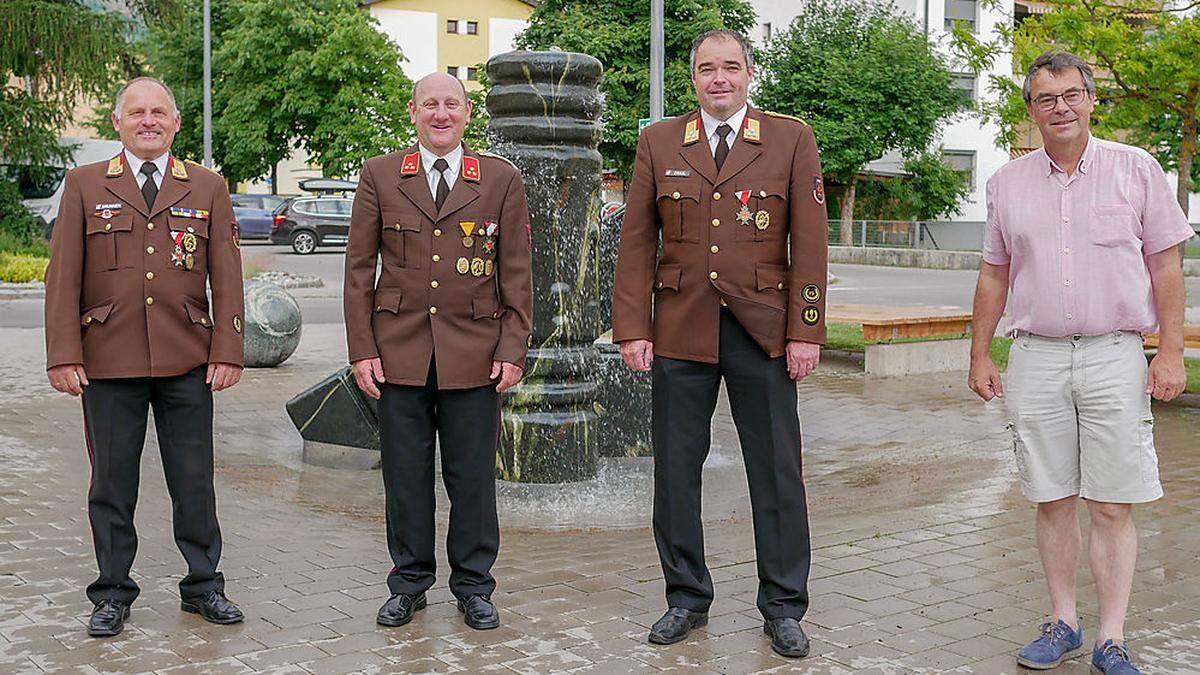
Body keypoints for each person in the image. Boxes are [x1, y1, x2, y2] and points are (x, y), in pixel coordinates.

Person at [968, 51, 1194, 675]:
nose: (1060, 107)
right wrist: (980, 352)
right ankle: (1064, 621)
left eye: (1070, 95)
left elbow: (1166, 266)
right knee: (1051, 497)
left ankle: (1111, 638)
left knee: (1114, 501)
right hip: (1035, 358)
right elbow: (994, 273)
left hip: (1113, 355)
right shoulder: (1007, 183)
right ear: (1031, 110)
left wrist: (1171, 352)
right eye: (1046, 98)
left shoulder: (1137, 170)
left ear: (1091, 100)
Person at [611, 29, 828, 658]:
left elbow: (809, 247)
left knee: (778, 473)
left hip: (763, 329)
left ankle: (784, 606)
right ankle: (685, 598)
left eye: (730, 67)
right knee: (676, 473)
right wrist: (633, 327)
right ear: (693, 79)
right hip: (680, 327)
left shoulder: (790, 138)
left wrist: (805, 331)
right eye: (707, 69)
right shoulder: (658, 141)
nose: (719, 79)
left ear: (749, 73)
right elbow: (635, 243)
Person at [44, 77, 246, 637]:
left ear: (176, 122)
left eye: (159, 112)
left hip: (188, 358)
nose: (149, 121)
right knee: (111, 483)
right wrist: (63, 354)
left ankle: (204, 586)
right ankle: (111, 593)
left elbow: (227, 278)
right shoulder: (85, 184)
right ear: (118, 123)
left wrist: (228, 349)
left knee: (194, 480)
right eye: (137, 113)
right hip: (107, 361)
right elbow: (62, 278)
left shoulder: (207, 187)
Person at [343, 72, 533, 631]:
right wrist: (361, 349)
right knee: (404, 477)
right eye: (431, 104)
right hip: (398, 353)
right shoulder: (380, 175)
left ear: (468, 113)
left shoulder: (500, 180)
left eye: (452, 104)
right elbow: (359, 271)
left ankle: (474, 586)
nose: (441, 114)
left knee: (472, 478)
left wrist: (513, 348)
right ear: (414, 112)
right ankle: (408, 584)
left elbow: (517, 273)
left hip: (475, 354)